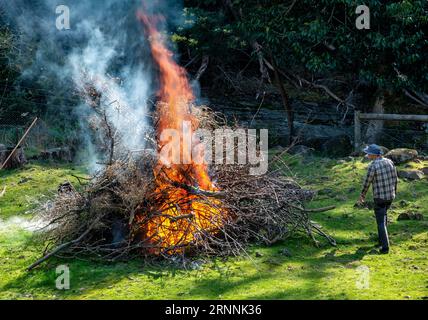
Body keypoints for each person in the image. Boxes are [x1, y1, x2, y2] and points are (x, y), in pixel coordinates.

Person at [359, 144, 398, 254]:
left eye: (368, 153)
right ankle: (381, 241)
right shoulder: (389, 162)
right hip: (390, 196)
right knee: (384, 218)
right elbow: (395, 178)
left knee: (380, 222)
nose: (367, 155)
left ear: (374, 155)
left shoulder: (373, 165)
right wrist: (394, 191)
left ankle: (385, 248)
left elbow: (367, 182)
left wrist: (362, 195)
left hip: (379, 197)